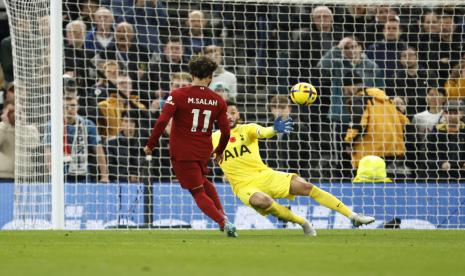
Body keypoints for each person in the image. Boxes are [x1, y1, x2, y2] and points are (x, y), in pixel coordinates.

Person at [212, 100, 375, 236]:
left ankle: (353, 216)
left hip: (265, 175)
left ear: (238, 115)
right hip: (243, 186)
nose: (229, 116)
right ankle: (303, 223)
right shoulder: (212, 138)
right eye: (225, 113)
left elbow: (263, 132)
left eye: (233, 112)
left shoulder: (247, 129)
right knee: (263, 201)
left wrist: (274, 130)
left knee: (305, 186)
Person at [144, 55, 237, 237]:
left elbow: (162, 121)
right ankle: (223, 215)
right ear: (210, 77)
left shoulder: (177, 95)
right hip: (204, 151)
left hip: (183, 152)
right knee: (203, 182)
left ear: (191, 74)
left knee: (197, 192)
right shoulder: (218, 100)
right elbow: (226, 132)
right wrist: (219, 152)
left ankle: (223, 221)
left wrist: (150, 145)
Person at [425, 100, 465, 181]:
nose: (452, 116)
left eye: (455, 113)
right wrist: (441, 164)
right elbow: (425, 156)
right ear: (444, 114)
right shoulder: (435, 132)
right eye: (449, 112)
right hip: (440, 176)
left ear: (462, 114)